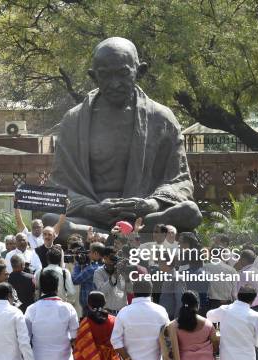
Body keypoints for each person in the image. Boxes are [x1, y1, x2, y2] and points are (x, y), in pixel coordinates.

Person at [43, 37, 201, 241]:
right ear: (93, 76)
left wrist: (152, 203)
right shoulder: (73, 121)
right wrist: (91, 209)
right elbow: (58, 185)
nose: (114, 83)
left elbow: (179, 180)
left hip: (143, 217)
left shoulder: (161, 118)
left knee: (189, 212)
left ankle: (109, 237)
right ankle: (121, 236)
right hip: (93, 217)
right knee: (50, 220)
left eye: (123, 73)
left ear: (139, 71)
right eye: (105, 76)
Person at [110, 280, 169, 360]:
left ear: (134, 292)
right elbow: (167, 338)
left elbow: (115, 340)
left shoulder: (124, 312)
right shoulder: (161, 311)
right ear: (151, 292)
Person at [25, 271, 79, 360]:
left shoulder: (31, 309)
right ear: (57, 286)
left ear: (40, 286)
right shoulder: (68, 308)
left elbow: (25, 339)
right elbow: (75, 337)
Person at [206, 285, 258, 360]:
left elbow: (209, 315)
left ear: (237, 295)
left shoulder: (225, 310)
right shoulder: (255, 316)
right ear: (253, 300)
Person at [160, 290, 217, 360]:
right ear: (198, 304)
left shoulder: (172, 327)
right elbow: (215, 347)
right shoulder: (208, 325)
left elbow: (167, 351)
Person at [73, 291, 121, 360]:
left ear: (89, 304)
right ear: (105, 303)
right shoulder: (114, 320)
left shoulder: (85, 322)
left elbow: (80, 348)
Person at [72, 242, 105, 313]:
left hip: (90, 307)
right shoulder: (103, 266)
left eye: (90, 252)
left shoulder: (92, 269)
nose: (88, 254)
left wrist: (77, 264)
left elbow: (75, 280)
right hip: (101, 304)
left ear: (96, 253)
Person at [93, 250, 127, 314]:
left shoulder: (122, 270)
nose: (114, 261)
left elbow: (130, 290)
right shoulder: (98, 272)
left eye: (116, 258)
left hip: (123, 311)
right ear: (104, 258)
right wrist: (115, 274)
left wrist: (127, 275)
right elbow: (101, 291)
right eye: (112, 258)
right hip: (108, 312)